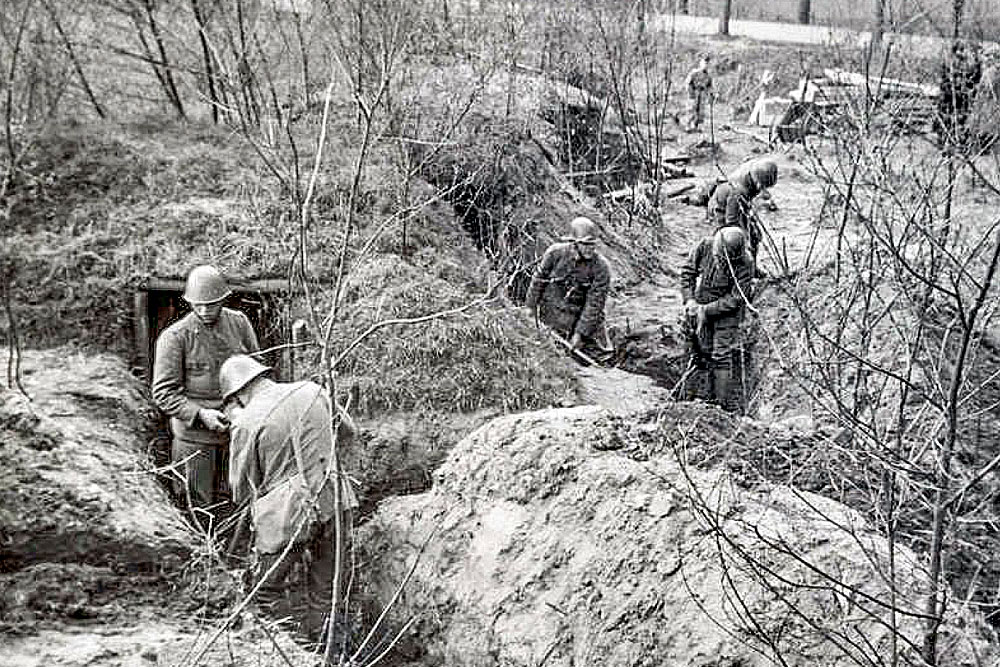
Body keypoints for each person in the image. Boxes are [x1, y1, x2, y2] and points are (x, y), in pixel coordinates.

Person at [219, 354, 357, 644]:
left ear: (236, 396)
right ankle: (327, 648)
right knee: (327, 589)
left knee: (264, 591)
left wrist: (239, 426)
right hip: (334, 496)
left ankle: (292, 650)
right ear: (263, 376)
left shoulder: (247, 421)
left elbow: (240, 490)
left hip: (286, 515)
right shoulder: (312, 390)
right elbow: (348, 432)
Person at [152, 265, 259, 512]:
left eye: (211, 305)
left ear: (223, 299)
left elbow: (256, 368)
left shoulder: (239, 323)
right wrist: (200, 414)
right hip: (194, 439)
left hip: (237, 431)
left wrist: (241, 407)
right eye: (197, 305)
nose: (204, 311)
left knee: (238, 502)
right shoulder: (175, 337)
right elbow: (163, 393)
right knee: (196, 506)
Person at [679, 226, 754, 413]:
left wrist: (706, 310)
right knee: (696, 350)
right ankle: (690, 398)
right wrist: (689, 300)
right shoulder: (705, 246)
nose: (722, 263)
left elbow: (736, 298)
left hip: (727, 313)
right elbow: (687, 273)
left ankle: (720, 408)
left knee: (721, 356)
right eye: (720, 258)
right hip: (700, 304)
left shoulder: (746, 262)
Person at [525, 216, 612, 355]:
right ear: (574, 243)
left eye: (593, 244)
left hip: (583, 321)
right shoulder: (554, 254)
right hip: (552, 317)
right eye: (585, 244)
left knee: (600, 358)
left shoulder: (601, 267)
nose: (590, 248)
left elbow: (594, 304)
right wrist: (530, 308)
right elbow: (538, 282)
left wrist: (580, 333)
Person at [706, 158, 778, 262]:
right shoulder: (737, 191)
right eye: (763, 186)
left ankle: (751, 266)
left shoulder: (753, 172)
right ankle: (734, 266)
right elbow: (732, 222)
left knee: (755, 235)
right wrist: (745, 239)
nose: (764, 190)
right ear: (759, 182)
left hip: (738, 206)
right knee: (733, 241)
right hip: (721, 212)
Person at [936, 40, 982, 151]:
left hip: (961, 99)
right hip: (949, 98)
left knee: (961, 120)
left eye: (963, 50)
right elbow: (945, 81)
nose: (961, 53)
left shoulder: (966, 63)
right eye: (959, 50)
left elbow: (972, 78)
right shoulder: (950, 63)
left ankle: (959, 142)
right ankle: (944, 142)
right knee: (947, 120)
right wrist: (952, 87)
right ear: (955, 51)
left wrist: (967, 89)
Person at [683, 54, 714, 132]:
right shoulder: (694, 72)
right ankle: (687, 125)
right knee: (691, 109)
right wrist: (690, 92)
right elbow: (688, 83)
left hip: (702, 93)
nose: (706, 65)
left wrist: (711, 94)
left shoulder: (708, 76)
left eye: (707, 64)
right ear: (700, 63)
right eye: (704, 63)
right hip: (694, 92)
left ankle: (695, 125)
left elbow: (710, 86)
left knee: (700, 110)